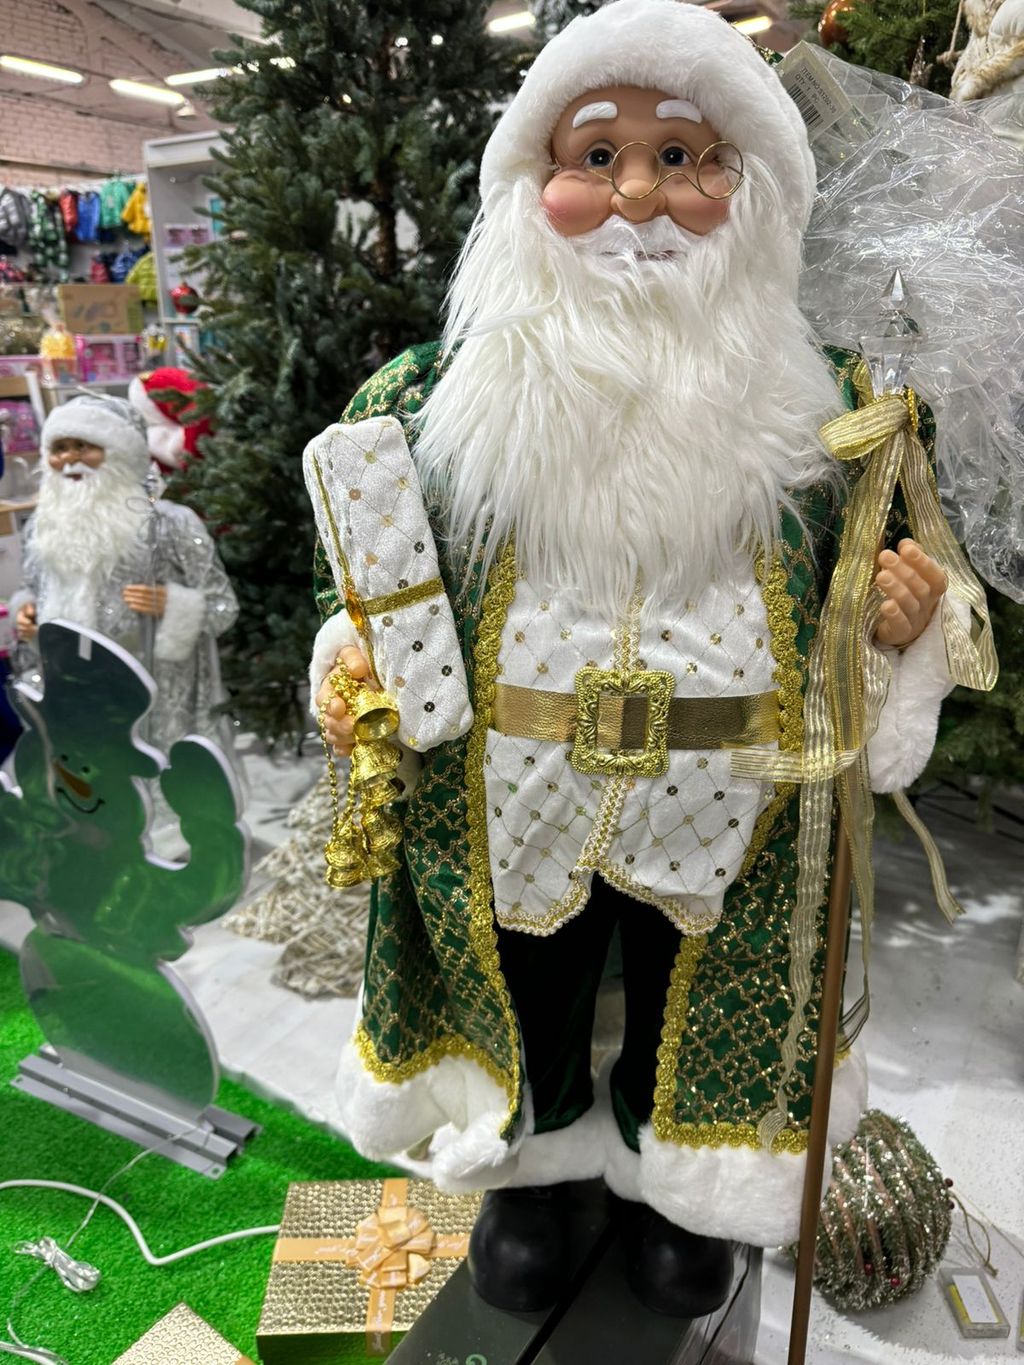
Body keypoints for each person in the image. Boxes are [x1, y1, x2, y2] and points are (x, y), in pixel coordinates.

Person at [309, 0, 970, 1318]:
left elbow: (869, 596)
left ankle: (682, 1190)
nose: (636, 196)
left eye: (681, 156)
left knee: (696, 994)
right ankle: (535, 1173)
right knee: (530, 980)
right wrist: (355, 669)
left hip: (736, 797)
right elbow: (376, 588)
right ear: (530, 184)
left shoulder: (840, 413)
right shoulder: (432, 402)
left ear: (751, 188)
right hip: (514, 791)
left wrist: (901, 628)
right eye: (596, 156)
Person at [12, 393, 237, 757]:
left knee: (155, 773)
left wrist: (175, 606)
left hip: (156, 697)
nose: (69, 459)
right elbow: (31, 588)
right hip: (75, 695)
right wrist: (27, 611)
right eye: (59, 448)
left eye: (83, 446)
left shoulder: (172, 523)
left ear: (120, 452)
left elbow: (222, 606)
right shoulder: (41, 529)